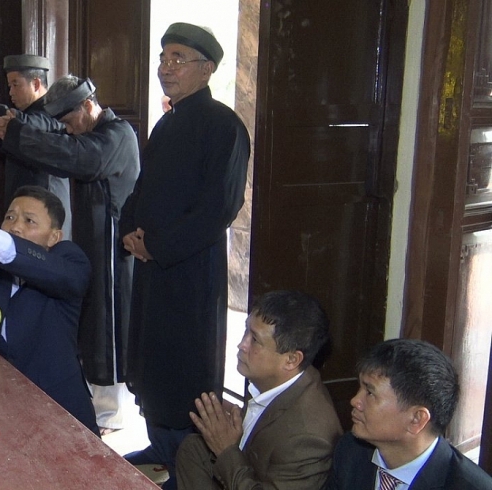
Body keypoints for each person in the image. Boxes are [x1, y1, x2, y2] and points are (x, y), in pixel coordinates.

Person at [118, 23, 251, 488]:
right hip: (151, 270)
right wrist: (128, 231)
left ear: (206, 68)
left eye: (177, 58)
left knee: (184, 368)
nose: (165, 67)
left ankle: (187, 464)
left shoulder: (224, 127)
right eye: (163, 57)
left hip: (190, 273)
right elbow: (141, 189)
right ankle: (160, 445)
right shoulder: (167, 123)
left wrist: (157, 246)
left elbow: (218, 209)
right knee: (151, 363)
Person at [0, 75, 141, 435]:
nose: (67, 129)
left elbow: (79, 158)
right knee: (90, 322)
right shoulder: (89, 133)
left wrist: (20, 133)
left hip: (113, 247)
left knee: (109, 323)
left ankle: (112, 414)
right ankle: (93, 401)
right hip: (89, 241)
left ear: (88, 106)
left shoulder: (118, 134)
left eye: (68, 120)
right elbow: (61, 147)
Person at [0, 185, 98, 435]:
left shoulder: (69, 261)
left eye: (29, 221)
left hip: (61, 410)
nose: (15, 226)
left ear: (54, 237)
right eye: (10, 217)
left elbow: (63, 276)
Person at [176, 290, 342, 490]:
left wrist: (226, 449)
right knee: (193, 448)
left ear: (291, 359)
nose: (242, 345)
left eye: (254, 340)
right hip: (248, 473)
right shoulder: (275, 378)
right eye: (246, 330)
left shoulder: (308, 438)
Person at [328, 339, 492, 490]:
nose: (355, 401)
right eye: (360, 388)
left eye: (370, 393)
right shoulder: (350, 451)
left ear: (416, 419)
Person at [0, 54, 72, 238]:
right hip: (21, 201)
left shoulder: (51, 113)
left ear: (36, 84)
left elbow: (23, 123)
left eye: (16, 85)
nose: (11, 92)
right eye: (9, 86)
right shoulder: (25, 115)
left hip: (45, 205)